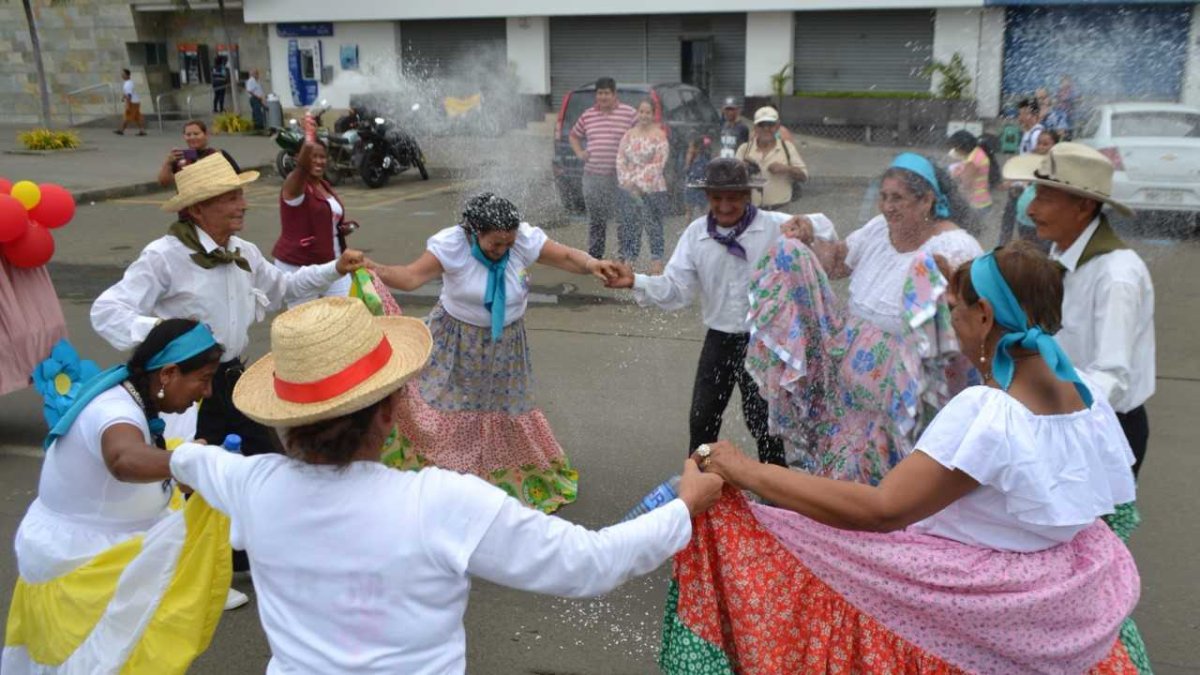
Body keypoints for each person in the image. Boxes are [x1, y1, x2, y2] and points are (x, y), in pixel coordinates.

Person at [167, 297, 724, 674]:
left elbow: (189, 460)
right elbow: (589, 564)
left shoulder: (251, 482)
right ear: (390, 410)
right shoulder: (438, 503)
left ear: (284, 420)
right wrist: (683, 506)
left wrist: (146, 435)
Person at [661, 242, 1142, 674]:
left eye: (954, 310)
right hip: (1050, 607)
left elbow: (882, 510)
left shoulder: (989, 413)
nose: (950, 323)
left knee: (802, 558)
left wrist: (747, 470)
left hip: (970, 610)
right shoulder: (1087, 397)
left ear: (985, 316)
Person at [92, 153, 364, 458]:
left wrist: (335, 268)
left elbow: (284, 288)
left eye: (241, 196)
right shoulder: (164, 256)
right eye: (232, 198)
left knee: (267, 464)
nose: (243, 205)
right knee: (192, 471)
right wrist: (168, 335)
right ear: (198, 209)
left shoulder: (243, 251)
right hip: (190, 388)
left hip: (235, 382)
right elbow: (106, 311)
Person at [3, 320, 238, 674]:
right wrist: (191, 463)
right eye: (203, 379)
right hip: (83, 569)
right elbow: (123, 458)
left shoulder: (131, 396)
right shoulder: (115, 410)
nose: (206, 392)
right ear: (168, 374)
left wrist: (182, 462)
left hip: (101, 554)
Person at [370, 193, 620, 512]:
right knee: (453, 406)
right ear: (475, 232)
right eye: (495, 244)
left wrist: (592, 264)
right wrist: (373, 268)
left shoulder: (521, 240)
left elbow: (567, 257)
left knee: (502, 408)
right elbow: (410, 277)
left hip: (506, 345)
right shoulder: (453, 245)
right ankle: (452, 477)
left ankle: (499, 474)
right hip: (456, 340)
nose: (502, 250)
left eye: (508, 244)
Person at [761, 153, 983, 483]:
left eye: (898, 198)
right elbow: (837, 262)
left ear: (927, 200)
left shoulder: (956, 247)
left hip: (904, 404)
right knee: (842, 482)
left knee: (890, 487)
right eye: (883, 196)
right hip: (850, 403)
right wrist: (807, 238)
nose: (888, 207)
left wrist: (944, 284)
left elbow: (969, 319)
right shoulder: (880, 229)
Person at [605, 158, 827, 467]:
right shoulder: (696, 235)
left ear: (747, 195)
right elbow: (676, 289)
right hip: (720, 339)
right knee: (702, 417)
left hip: (763, 342)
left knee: (764, 422)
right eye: (717, 197)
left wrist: (808, 226)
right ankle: (700, 483)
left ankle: (775, 488)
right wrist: (636, 281)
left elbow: (824, 229)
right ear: (707, 196)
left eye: (733, 197)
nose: (724, 206)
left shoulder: (772, 226)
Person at [1005, 142, 1155, 479]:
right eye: (1034, 195)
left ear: (1084, 206)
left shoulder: (1116, 276)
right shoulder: (1060, 254)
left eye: (1045, 197)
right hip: (1062, 416)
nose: (1031, 209)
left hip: (1101, 428)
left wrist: (1050, 412)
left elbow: (1111, 376)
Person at [273, 140, 354, 306]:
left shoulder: (324, 185)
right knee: (305, 318)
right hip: (299, 266)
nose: (318, 161)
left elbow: (324, 216)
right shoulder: (294, 186)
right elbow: (301, 170)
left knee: (346, 311)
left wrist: (339, 228)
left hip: (332, 261)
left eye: (322, 157)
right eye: (312, 156)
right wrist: (308, 141)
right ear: (299, 158)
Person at [569, 77, 638, 259]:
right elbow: (574, 135)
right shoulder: (588, 115)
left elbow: (642, 134)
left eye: (607, 93)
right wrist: (579, 152)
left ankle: (625, 259)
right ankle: (595, 258)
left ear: (614, 94)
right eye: (600, 93)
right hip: (593, 177)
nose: (603, 97)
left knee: (624, 218)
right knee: (597, 220)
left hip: (621, 178)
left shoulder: (630, 113)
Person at [616, 99, 669, 272]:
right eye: (641, 111)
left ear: (653, 114)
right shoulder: (628, 135)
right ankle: (629, 260)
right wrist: (628, 182)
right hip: (629, 188)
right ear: (637, 113)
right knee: (630, 225)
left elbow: (658, 163)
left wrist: (639, 184)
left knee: (654, 225)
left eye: (648, 112)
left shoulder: (660, 135)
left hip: (653, 188)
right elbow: (620, 159)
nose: (644, 115)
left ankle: (656, 261)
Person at [736, 106, 807, 210]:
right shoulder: (744, 149)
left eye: (770, 124)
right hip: (751, 210)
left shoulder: (787, 147)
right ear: (755, 127)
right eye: (761, 125)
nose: (766, 129)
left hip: (781, 209)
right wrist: (742, 168)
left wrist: (786, 169)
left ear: (777, 126)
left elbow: (804, 177)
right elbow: (732, 181)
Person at [1000, 129, 1060, 250]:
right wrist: (1016, 187)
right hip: (1024, 220)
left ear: (1055, 146)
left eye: (1045, 144)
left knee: (1039, 253)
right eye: (1038, 143)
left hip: (1042, 220)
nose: (1040, 147)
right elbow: (1025, 182)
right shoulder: (1032, 162)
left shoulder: (1056, 167)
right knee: (1027, 251)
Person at [157, 119, 241, 187]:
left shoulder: (218, 154)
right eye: (188, 135)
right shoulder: (179, 157)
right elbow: (164, 183)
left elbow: (239, 177)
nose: (192, 137)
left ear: (206, 135)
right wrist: (167, 163)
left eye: (196, 134)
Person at [946, 129, 995, 215]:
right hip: (983, 199)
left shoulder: (972, 161)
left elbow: (966, 184)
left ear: (961, 147)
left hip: (976, 203)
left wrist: (954, 174)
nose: (955, 150)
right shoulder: (978, 152)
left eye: (955, 148)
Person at [683, 133, 713, 224]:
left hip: (700, 190)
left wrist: (698, 183)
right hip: (690, 189)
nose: (689, 149)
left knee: (703, 212)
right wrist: (688, 162)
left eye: (691, 147)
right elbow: (686, 173)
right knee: (689, 212)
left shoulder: (703, 161)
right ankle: (687, 228)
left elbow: (707, 178)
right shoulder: (690, 160)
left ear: (697, 149)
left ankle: (706, 227)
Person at [114, 68, 146, 136]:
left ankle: (121, 130)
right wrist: (123, 97)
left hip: (132, 102)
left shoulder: (128, 84)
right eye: (122, 74)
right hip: (136, 102)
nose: (122, 75)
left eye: (123, 74)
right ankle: (142, 131)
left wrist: (128, 105)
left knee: (127, 116)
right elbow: (127, 93)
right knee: (137, 117)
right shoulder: (129, 83)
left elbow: (129, 95)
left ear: (127, 75)